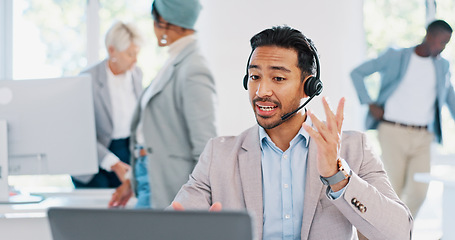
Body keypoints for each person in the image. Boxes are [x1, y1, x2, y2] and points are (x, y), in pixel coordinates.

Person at [170, 26, 413, 239]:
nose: (261, 91)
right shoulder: (219, 154)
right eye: (255, 77)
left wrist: (338, 177)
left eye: (278, 78)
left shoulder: (353, 148)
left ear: (309, 87)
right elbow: (173, 225)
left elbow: (399, 232)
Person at [108, 0, 217, 209]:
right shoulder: (174, 60)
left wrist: (197, 202)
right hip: (148, 176)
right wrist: (133, 180)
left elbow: (205, 146)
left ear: (164, 21)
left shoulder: (194, 67)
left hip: (170, 185)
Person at [351, 19, 455, 217]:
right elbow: (358, 73)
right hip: (393, 132)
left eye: (446, 44)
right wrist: (370, 103)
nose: (442, 48)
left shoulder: (442, 66)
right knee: (392, 190)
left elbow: (450, 98)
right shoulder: (396, 56)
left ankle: (402, 231)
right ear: (429, 36)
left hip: (423, 136)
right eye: (441, 42)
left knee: (419, 191)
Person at [72, 21, 144, 188]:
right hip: (94, 156)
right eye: (129, 54)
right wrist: (113, 163)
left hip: (125, 151)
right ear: (112, 50)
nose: (135, 60)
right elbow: (81, 134)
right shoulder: (87, 79)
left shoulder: (136, 74)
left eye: (136, 53)